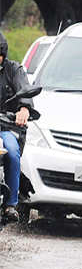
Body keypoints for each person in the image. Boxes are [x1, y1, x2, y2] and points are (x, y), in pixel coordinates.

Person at [0, 32, 35, 222]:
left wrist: (24, 109)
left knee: (12, 152)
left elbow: (24, 90)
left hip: (6, 126)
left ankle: (10, 204)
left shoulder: (14, 70)